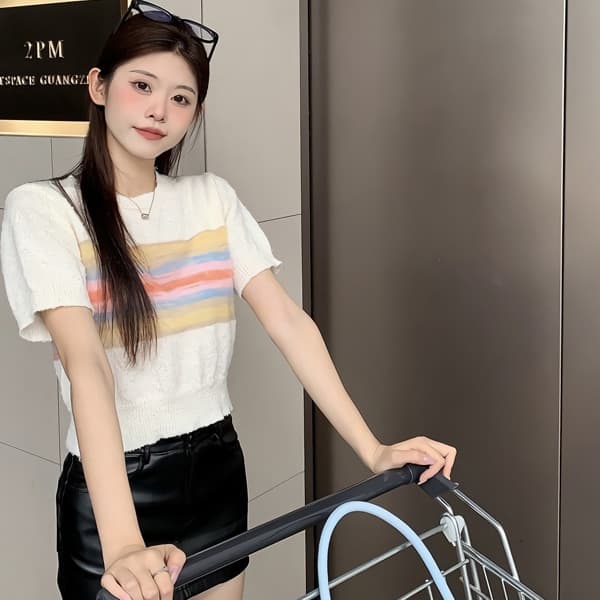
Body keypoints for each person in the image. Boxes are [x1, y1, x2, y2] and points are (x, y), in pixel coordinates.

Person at [0, 2, 456, 600]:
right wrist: (123, 543)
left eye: (181, 98)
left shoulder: (211, 200)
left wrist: (373, 449)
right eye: (142, 86)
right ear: (99, 86)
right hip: (114, 488)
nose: (159, 110)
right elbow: (87, 365)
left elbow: (288, 321)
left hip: (217, 468)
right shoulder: (43, 209)